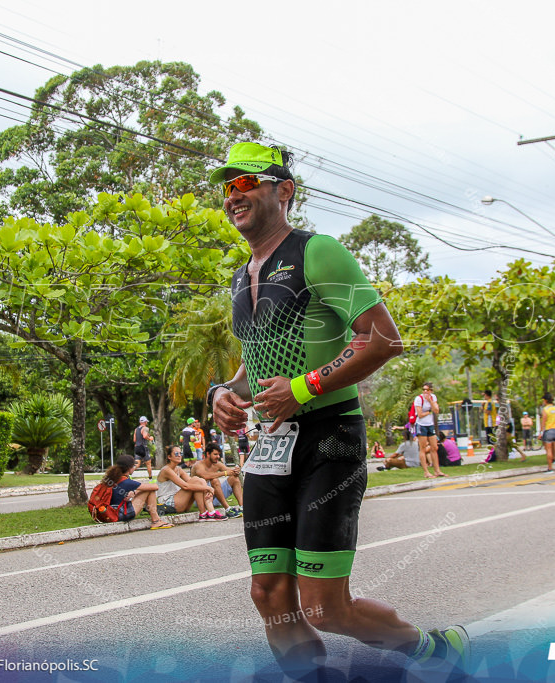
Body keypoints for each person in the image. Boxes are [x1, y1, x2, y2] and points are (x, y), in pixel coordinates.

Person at [207, 142, 468, 676]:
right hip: (272, 446)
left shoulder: (316, 251)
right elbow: (254, 359)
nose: (234, 195)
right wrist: (222, 392)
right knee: (269, 594)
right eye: (227, 187)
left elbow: (382, 340)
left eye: (245, 183)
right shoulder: (242, 274)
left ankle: (434, 649)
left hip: (330, 437)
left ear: (284, 191)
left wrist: (303, 389)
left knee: (326, 608)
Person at [156, 445, 225, 520]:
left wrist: (205, 487)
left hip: (179, 501)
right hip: (168, 503)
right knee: (196, 481)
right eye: (176, 454)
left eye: (180, 453)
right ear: (169, 457)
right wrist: (207, 487)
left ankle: (207, 513)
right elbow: (185, 486)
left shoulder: (178, 469)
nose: (179, 456)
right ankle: (207, 513)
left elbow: (193, 482)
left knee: (198, 480)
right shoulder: (166, 470)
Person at [105, 454, 172, 530]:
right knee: (150, 490)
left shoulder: (115, 478)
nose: (134, 468)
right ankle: (156, 521)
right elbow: (155, 487)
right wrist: (135, 492)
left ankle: (156, 520)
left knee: (146, 489)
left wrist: (134, 492)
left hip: (112, 511)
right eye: (133, 466)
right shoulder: (126, 482)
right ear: (129, 468)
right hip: (121, 513)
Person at [193, 442, 243, 515]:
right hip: (202, 500)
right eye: (215, 454)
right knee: (214, 480)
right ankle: (228, 509)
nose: (218, 457)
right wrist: (224, 473)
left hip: (215, 497)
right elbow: (205, 476)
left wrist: (235, 471)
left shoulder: (217, 464)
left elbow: (229, 471)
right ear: (208, 454)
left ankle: (242, 507)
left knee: (234, 478)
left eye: (219, 454)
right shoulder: (198, 465)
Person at [414, 382, 447, 479]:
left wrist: (431, 401)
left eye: (427, 390)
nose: (425, 392)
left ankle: (437, 470)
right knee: (423, 448)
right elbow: (420, 414)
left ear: (431, 391)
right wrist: (429, 411)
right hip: (421, 424)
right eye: (423, 389)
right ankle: (426, 472)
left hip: (430, 424)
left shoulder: (433, 397)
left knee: (434, 447)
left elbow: (436, 410)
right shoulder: (419, 399)